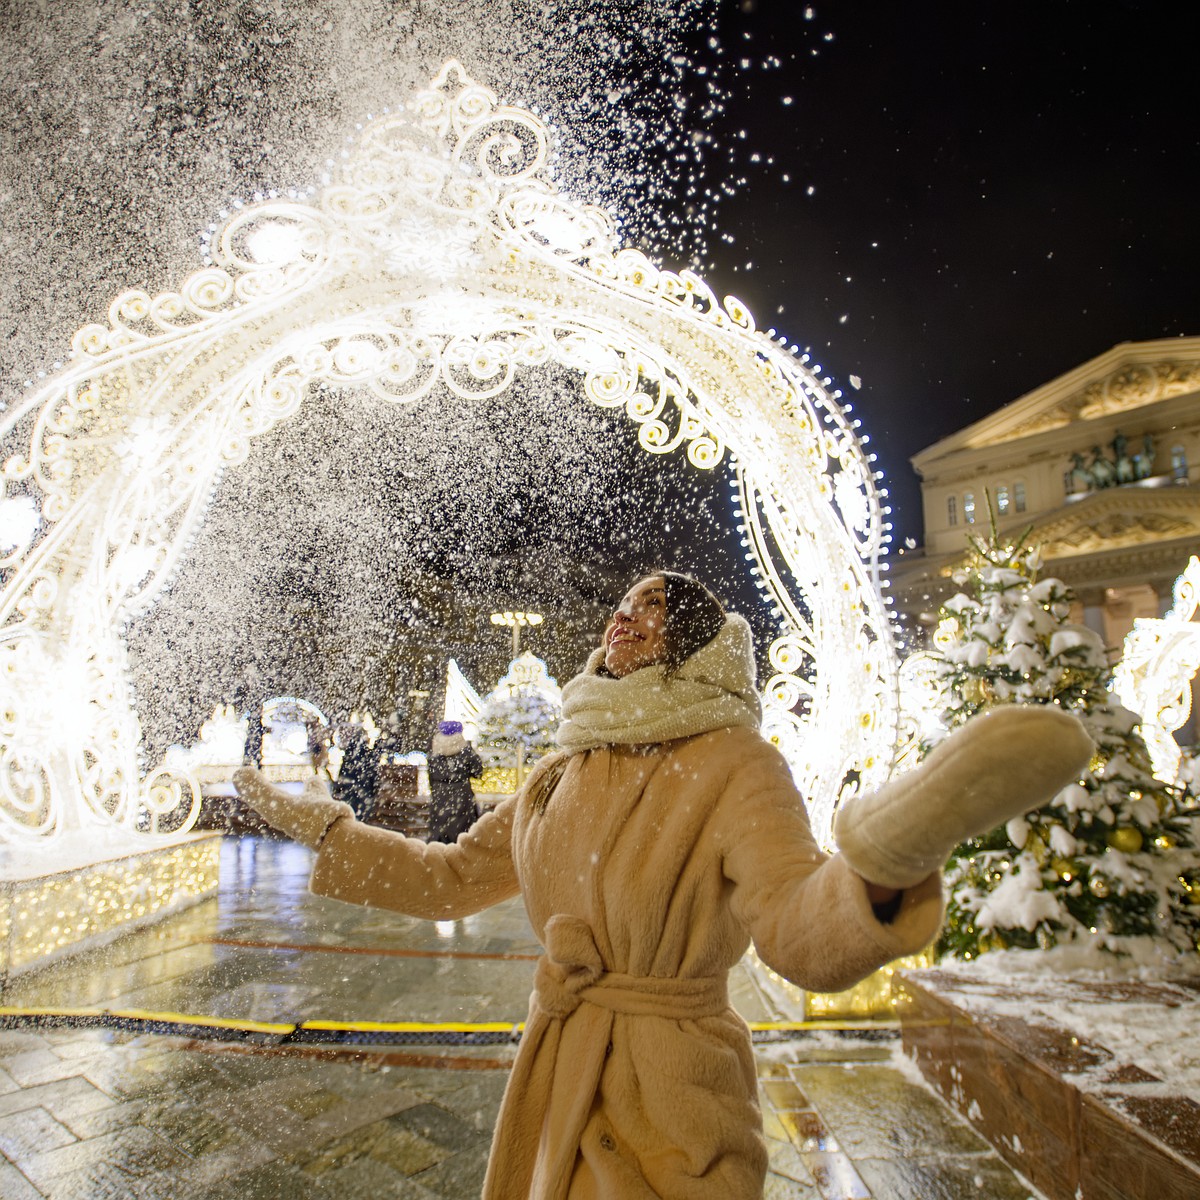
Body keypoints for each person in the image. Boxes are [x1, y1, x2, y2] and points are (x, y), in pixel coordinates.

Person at [234, 571, 1093, 1199]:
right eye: (622, 604)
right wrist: (322, 824)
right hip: (559, 1069)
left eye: (655, 607)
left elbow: (794, 926)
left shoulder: (734, 763)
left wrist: (885, 864)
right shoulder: (557, 771)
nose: (626, 618)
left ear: (695, 641)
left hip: (675, 1094)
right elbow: (450, 878)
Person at [427, 719, 485, 843]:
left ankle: (439, 856)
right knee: (462, 833)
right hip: (461, 794)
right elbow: (478, 772)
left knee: (439, 833)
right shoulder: (464, 750)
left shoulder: (435, 750)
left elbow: (431, 777)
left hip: (440, 795)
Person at [332, 721, 379, 821]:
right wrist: (373, 789)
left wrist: (338, 789)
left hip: (352, 790)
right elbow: (372, 773)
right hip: (362, 790)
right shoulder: (366, 754)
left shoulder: (351, 752)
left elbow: (343, 773)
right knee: (359, 817)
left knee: (350, 816)